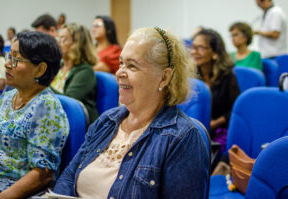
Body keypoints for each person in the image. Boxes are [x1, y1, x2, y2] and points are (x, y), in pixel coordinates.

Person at [53, 27, 209, 199]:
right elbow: (68, 177)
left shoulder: (182, 138)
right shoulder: (107, 120)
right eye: (121, 63)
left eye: (132, 66)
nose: (119, 73)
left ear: (164, 78)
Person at [0, 31, 69, 198]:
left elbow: (43, 174)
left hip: (6, 188)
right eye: (9, 56)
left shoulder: (46, 108)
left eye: (16, 59)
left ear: (40, 69)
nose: (7, 64)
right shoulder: (8, 96)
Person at [191, 28, 240, 148]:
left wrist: (215, 123)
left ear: (215, 53)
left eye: (201, 47)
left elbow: (236, 110)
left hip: (221, 131)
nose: (194, 52)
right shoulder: (191, 77)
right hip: (195, 131)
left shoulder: (228, 77)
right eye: (193, 47)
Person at [50, 23, 99, 123]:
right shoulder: (60, 65)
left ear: (77, 44)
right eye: (58, 39)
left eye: (63, 39)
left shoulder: (85, 71)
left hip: (76, 123)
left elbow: (68, 102)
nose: (58, 43)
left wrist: (41, 84)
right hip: (56, 117)